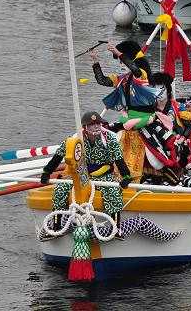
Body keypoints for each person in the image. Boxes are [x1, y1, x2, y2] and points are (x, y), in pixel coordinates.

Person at [89, 41, 180, 185]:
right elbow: (102, 81)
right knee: (111, 140)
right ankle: (115, 174)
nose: (121, 66)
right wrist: (95, 61)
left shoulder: (141, 75)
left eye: (122, 62)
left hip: (146, 121)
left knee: (156, 158)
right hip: (127, 120)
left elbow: (135, 69)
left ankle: (171, 179)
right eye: (119, 62)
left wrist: (119, 53)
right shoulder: (122, 80)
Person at [40, 111, 131, 238]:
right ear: (85, 127)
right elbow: (59, 155)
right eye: (92, 124)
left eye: (98, 123)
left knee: (114, 191)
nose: (96, 126)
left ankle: (115, 228)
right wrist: (47, 172)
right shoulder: (76, 139)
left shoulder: (109, 139)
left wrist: (126, 176)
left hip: (103, 175)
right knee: (60, 189)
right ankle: (56, 226)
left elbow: (119, 159)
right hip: (81, 174)